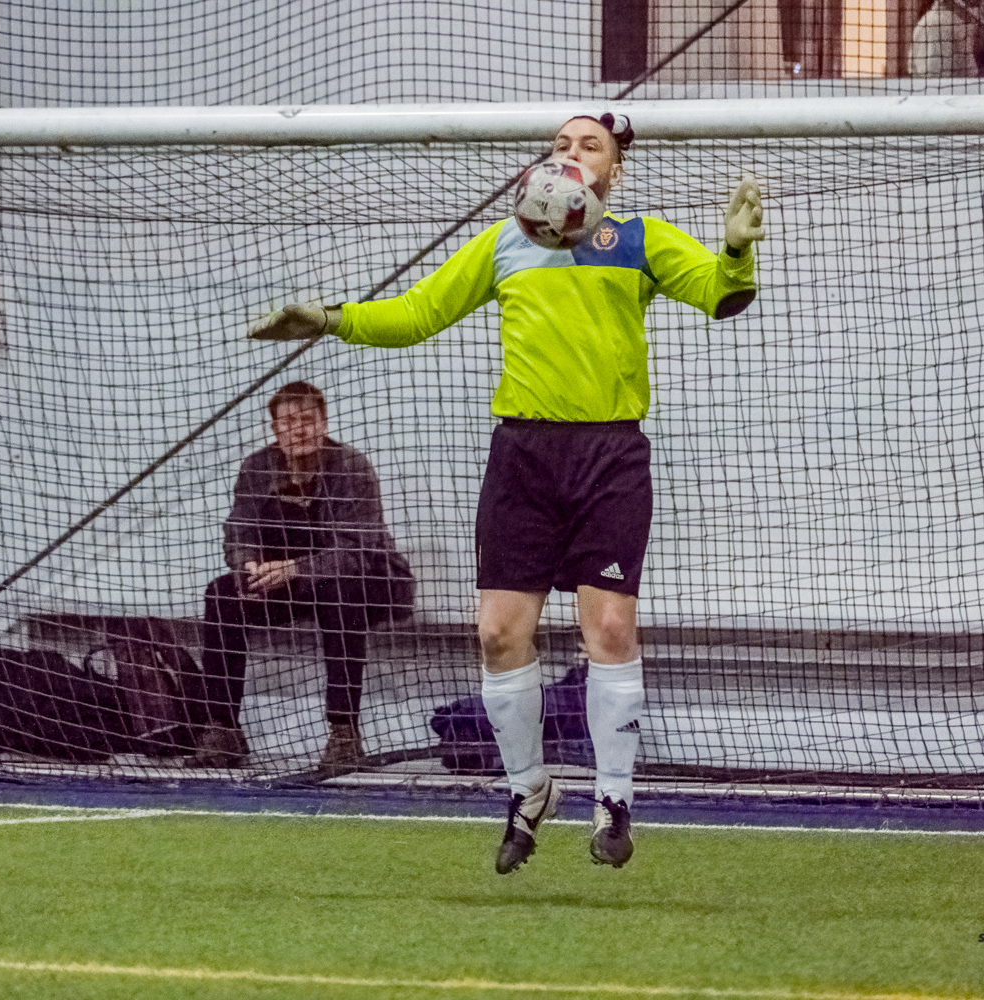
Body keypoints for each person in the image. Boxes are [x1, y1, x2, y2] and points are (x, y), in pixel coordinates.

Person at [251, 114, 763, 873]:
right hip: (522, 457)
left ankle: (614, 799)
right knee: (496, 634)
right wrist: (330, 319)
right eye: (561, 144)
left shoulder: (640, 239)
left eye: (590, 145)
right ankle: (529, 791)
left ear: (613, 170)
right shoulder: (503, 244)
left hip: (610, 457)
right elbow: (417, 313)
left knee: (610, 629)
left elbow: (722, 296)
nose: (571, 153)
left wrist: (736, 251)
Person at [192, 381, 414, 771]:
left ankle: (344, 733)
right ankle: (223, 730)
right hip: (291, 579)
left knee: (339, 594)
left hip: (367, 580)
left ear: (323, 423)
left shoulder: (351, 467)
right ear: (275, 430)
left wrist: (295, 569)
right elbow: (239, 530)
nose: (298, 430)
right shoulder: (257, 468)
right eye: (288, 422)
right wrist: (249, 564)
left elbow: (357, 550)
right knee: (223, 594)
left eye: (307, 420)